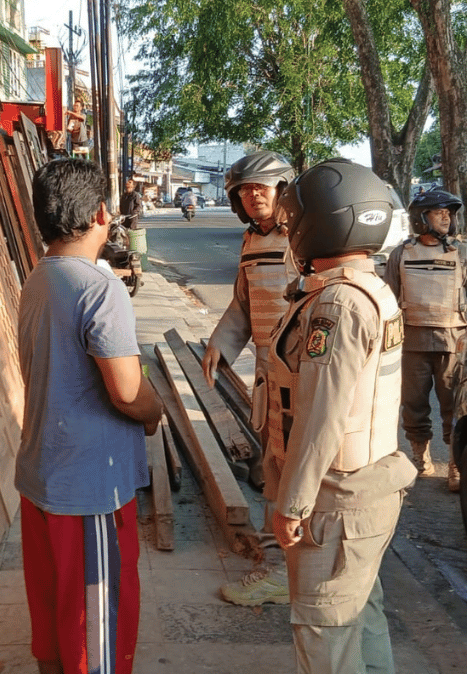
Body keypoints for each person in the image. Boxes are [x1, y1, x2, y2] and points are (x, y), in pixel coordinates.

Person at [268, 158, 417, 674]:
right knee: (360, 614)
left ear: (319, 224)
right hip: (366, 493)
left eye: (294, 222)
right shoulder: (369, 287)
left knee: (324, 631)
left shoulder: (337, 305)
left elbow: (320, 417)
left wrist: (292, 504)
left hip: (335, 501)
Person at [18, 158, 164, 674]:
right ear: (101, 213)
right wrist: (155, 410)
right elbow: (127, 391)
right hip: (89, 490)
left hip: (42, 476)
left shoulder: (39, 279)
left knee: (53, 620)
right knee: (95, 632)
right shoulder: (100, 288)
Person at [198, 150, 296, 606]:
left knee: (291, 466)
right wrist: (220, 343)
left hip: (301, 372)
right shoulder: (251, 240)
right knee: (273, 462)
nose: (253, 196)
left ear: (283, 190)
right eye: (245, 191)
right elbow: (243, 301)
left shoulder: (304, 235)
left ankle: (284, 568)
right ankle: (280, 561)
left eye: (262, 187)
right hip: (266, 371)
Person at [383, 188, 467, 492]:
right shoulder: (401, 254)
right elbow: (387, 303)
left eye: (449, 213)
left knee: (453, 405)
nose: (446, 218)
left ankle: (455, 462)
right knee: (413, 405)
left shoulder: (463, 254)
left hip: (452, 343)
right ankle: (420, 457)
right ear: (420, 218)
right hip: (411, 344)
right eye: (439, 212)